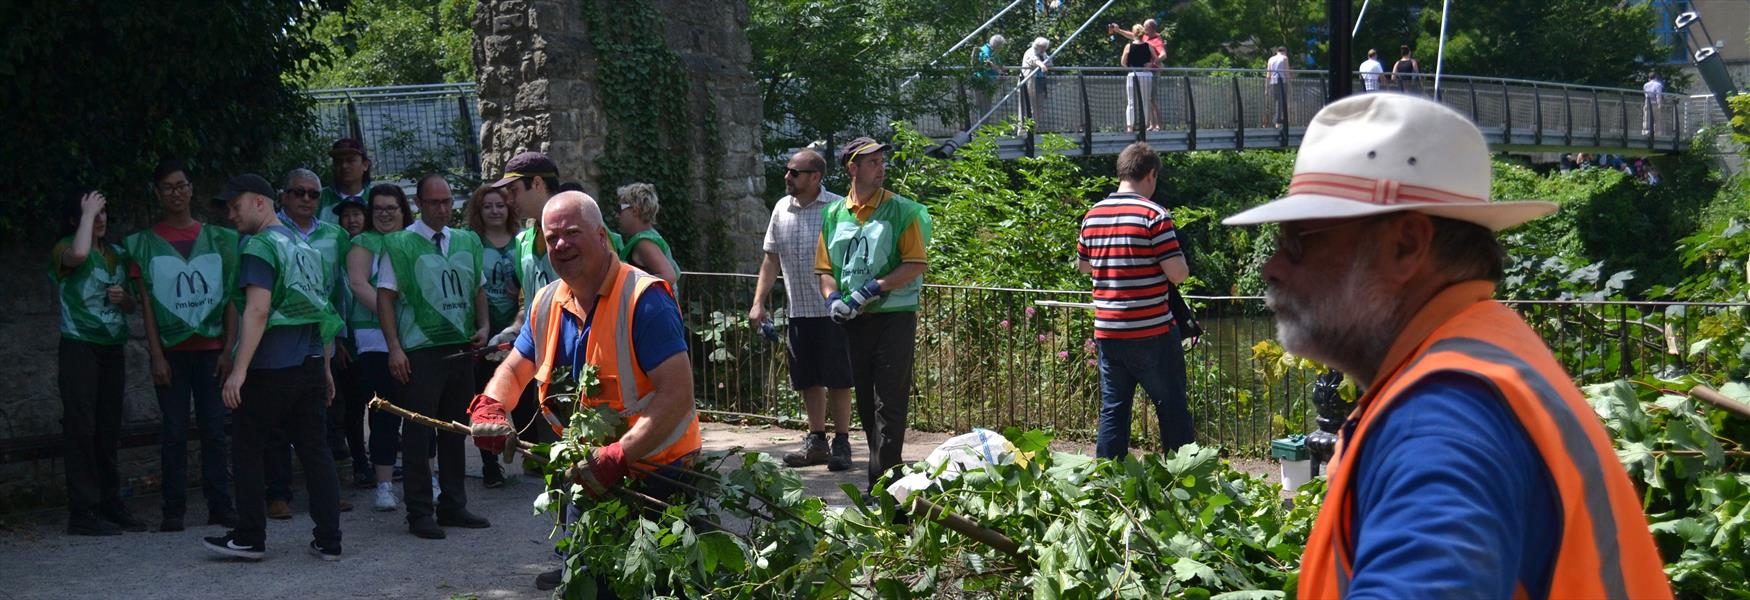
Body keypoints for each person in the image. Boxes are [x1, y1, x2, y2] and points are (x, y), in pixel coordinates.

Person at [1220, 94, 1673, 598]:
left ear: (1406, 245)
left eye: (1298, 241)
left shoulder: (1441, 419)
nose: (1272, 267)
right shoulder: (1486, 351)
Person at [467, 191, 698, 591]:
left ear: (603, 236)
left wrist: (619, 455)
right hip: (589, 472)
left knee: (658, 590)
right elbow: (517, 368)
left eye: (572, 233)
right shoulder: (546, 301)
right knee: (586, 584)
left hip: (658, 475)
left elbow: (677, 395)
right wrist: (491, 404)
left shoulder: (644, 299)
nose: (560, 244)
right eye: (551, 237)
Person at [203, 174, 344, 561]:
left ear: (261, 203)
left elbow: (258, 309)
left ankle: (249, 537)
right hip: (311, 365)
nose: (231, 215)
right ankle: (329, 540)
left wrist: (238, 369)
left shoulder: (259, 246)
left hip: (269, 370)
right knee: (316, 451)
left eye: (237, 206)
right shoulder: (304, 247)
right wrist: (326, 368)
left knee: (248, 449)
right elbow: (322, 314)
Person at [124, 160, 239, 532]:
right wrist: (156, 355)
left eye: (181, 185)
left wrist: (227, 349)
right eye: (167, 187)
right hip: (172, 353)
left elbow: (231, 300)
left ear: (191, 189)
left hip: (211, 351)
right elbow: (146, 305)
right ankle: (173, 509)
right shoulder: (144, 244)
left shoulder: (221, 239)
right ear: (158, 194)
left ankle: (220, 504)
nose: (175, 192)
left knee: (215, 430)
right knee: (173, 432)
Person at [377, 173, 494, 539]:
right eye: (434, 203)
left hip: (460, 347)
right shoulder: (399, 244)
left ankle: (453, 505)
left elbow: (477, 287)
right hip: (421, 349)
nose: (443, 209)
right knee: (418, 431)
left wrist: (484, 325)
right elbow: (385, 297)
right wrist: (394, 348)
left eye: (447, 202)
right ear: (419, 204)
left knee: (455, 430)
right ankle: (419, 511)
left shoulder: (466, 240)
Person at [816, 137, 931, 490]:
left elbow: (915, 264)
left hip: (894, 316)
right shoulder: (834, 214)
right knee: (866, 401)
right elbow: (824, 268)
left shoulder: (903, 210)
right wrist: (833, 297)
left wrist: (872, 288)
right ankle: (884, 482)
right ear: (852, 169)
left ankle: (884, 485)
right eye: (872, 163)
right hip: (855, 319)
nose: (881, 168)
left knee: (890, 404)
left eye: (882, 162)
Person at [1076, 142, 1194, 458]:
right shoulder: (1154, 215)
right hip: (1152, 332)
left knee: (1114, 409)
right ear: (1151, 175)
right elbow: (1177, 274)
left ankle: (1107, 481)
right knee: (1172, 408)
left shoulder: (1093, 215)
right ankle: (1183, 479)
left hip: (1108, 332)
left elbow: (1084, 266)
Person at [751, 149, 855, 471]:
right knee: (808, 378)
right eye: (787, 170)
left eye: (794, 172)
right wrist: (759, 302)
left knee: (839, 379)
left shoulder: (838, 207)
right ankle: (817, 441)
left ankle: (842, 443)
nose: (787, 176)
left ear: (815, 177)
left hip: (833, 311)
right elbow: (771, 258)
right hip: (799, 311)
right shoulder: (781, 208)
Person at [265, 168, 353, 519]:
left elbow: (340, 290)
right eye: (297, 192)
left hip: (321, 338)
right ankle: (278, 493)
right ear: (283, 196)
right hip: (279, 339)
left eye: (313, 194)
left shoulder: (335, 236)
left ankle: (325, 494)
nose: (305, 199)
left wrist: (340, 337)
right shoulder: (269, 233)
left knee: (320, 420)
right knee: (277, 420)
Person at [54, 190, 140, 536]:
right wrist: (86, 214)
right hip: (79, 346)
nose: (101, 219)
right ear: (76, 219)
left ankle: (109, 503)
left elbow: (133, 307)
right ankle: (82, 511)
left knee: (108, 428)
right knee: (81, 428)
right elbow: (78, 253)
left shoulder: (118, 255)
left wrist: (125, 299)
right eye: (93, 213)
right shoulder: (63, 248)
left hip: (111, 347)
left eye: (104, 212)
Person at [346, 183, 415, 510]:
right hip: (374, 339)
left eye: (392, 208)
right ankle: (384, 484)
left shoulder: (414, 240)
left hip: (415, 337)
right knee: (384, 411)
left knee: (420, 410)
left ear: (404, 210)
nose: (386, 214)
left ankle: (426, 476)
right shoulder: (364, 243)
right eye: (379, 209)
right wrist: (395, 320)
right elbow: (359, 284)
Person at [465, 184, 523, 489]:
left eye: (499, 205)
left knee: (522, 396)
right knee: (485, 397)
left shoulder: (520, 242)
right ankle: (490, 465)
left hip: (517, 330)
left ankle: (529, 456)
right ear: (479, 210)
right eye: (487, 206)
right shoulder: (473, 242)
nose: (494, 211)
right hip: (483, 333)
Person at [614, 182, 681, 290]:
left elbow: (669, 276)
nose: (616, 215)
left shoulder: (644, 242)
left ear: (635, 210)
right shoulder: (652, 236)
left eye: (619, 208)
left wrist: (630, 287)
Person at [1109, 18, 1167, 126]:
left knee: (1152, 99)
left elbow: (1163, 55)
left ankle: (1158, 125)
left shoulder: (1156, 40)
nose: (1143, 28)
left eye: (1145, 26)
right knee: (1147, 99)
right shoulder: (1145, 36)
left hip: (1152, 72)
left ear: (1150, 28)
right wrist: (1118, 30)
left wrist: (1153, 63)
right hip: (1144, 73)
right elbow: (1133, 35)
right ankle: (1150, 124)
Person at [318, 138, 371, 224]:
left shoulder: (375, 198)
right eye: (338, 162)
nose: (344, 166)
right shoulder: (319, 198)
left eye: (350, 160)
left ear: (365, 165)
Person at [1121, 25, 1161, 133]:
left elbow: (1123, 62)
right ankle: (1145, 124)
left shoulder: (1128, 46)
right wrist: (1150, 64)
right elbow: (1156, 60)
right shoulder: (1148, 46)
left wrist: (1131, 67)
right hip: (1146, 75)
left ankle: (1130, 126)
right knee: (1145, 101)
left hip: (1133, 75)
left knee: (1131, 102)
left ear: (1133, 34)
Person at [1019, 37, 1051, 131]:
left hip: (1040, 82)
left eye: (1045, 48)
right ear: (1037, 46)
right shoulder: (1031, 51)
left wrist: (1046, 64)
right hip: (1029, 83)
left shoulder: (1043, 53)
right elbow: (1034, 60)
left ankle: (1035, 129)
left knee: (1039, 107)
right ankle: (1024, 130)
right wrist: (1041, 65)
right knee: (1028, 106)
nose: (1044, 50)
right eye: (1042, 47)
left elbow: (1050, 62)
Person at [972, 34, 1006, 115]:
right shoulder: (985, 50)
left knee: (987, 106)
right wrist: (999, 71)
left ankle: (984, 125)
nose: (1001, 48)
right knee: (983, 106)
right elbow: (987, 62)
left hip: (990, 82)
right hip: (983, 81)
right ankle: (981, 126)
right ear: (997, 45)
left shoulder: (994, 52)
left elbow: (998, 63)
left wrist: (1002, 68)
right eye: (1001, 46)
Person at [1265, 47, 1290, 128]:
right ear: (1285, 51)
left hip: (1273, 82)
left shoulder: (1270, 59)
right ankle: (1278, 121)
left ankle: (1277, 120)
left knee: (1277, 101)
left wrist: (1266, 87)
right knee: (1281, 102)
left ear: (1276, 52)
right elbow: (1287, 72)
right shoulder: (1285, 58)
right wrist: (1290, 83)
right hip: (1282, 82)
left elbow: (1268, 75)